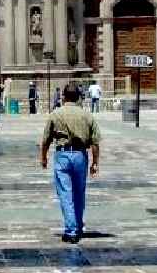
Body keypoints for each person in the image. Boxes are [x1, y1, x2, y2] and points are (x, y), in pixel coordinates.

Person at [39, 82, 101, 244]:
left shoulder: (56, 114)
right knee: (79, 193)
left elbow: (46, 139)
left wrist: (43, 157)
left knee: (66, 194)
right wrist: (95, 163)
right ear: (79, 97)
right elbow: (95, 142)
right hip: (81, 155)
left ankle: (71, 230)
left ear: (64, 96)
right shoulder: (87, 116)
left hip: (63, 155)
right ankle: (78, 226)